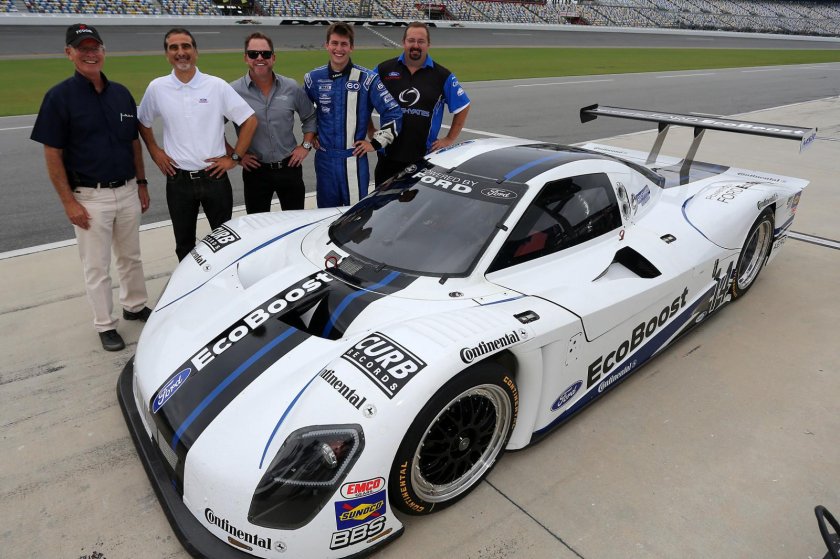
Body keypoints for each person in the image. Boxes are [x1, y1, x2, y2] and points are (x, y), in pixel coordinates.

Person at [31, 23, 152, 352]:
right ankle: (105, 324)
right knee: (97, 266)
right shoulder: (59, 97)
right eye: (82, 49)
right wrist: (68, 202)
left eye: (94, 47)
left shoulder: (121, 93)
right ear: (69, 53)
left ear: (103, 51)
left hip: (127, 189)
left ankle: (135, 305)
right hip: (89, 197)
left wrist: (142, 183)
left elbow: (133, 143)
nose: (90, 54)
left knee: (131, 257)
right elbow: (52, 153)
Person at [137, 28, 257, 261]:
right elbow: (143, 121)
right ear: (167, 54)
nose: (181, 52)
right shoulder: (157, 88)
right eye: (174, 47)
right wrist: (154, 151)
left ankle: (225, 281)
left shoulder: (216, 86)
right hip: (178, 179)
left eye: (186, 46)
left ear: (196, 51)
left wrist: (234, 158)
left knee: (225, 243)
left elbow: (250, 120)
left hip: (214, 176)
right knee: (184, 245)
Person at [304, 22, 402, 208]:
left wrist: (375, 143)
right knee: (326, 215)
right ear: (327, 45)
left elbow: (394, 112)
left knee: (356, 215)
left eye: (344, 44)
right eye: (334, 43)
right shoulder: (313, 78)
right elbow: (306, 112)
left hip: (354, 159)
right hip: (325, 161)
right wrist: (312, 134)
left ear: (351, 47)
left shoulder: (368, 79)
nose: (338, 49)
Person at [371, 22, 471, 185]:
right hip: (388, 157)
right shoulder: (383, 70)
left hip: (423, 159)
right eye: (411, 40)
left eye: (421, 41)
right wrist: (370, 130)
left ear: (428, 44)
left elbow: (463, 106)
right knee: (383, 201)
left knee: (417, 202)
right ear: (404, 42)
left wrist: (449, 138)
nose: (415, 45)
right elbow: (363, 100)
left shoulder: (442, 75)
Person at [229, 32, 316, 213]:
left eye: (265, 54)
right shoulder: (233, 91)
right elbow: (213, 126)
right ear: (246, 58)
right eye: (253, 54)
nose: (260, 58)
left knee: (294, 221)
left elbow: (310, 117)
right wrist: (236, 156)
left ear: (273, 58)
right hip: (255, 171)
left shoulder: (291, 87)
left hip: (289, 167)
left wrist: (306, 146)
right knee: (258, 223)